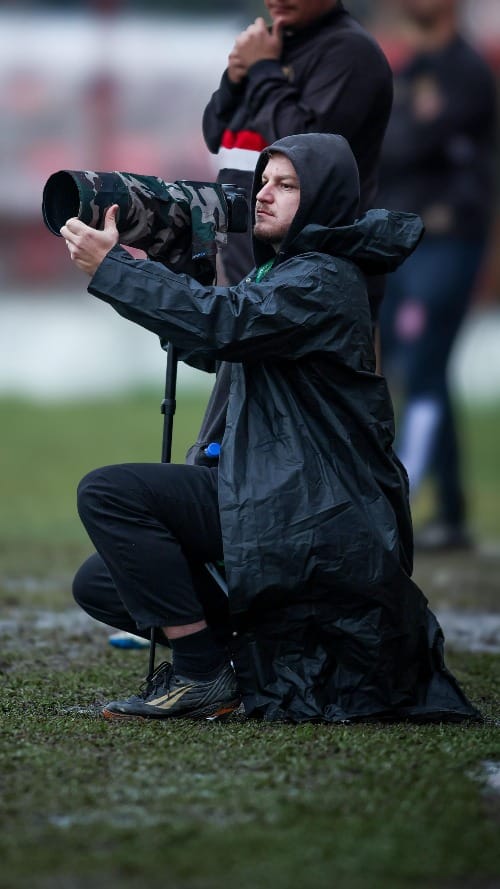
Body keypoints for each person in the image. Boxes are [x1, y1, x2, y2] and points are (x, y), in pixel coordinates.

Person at [61, 132, 479, 724]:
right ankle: (245, 656)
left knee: (109, 493)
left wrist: (115, 272)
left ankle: (201, 674)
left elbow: (220, 325)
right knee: (104, 581)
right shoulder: (286, 271)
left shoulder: (322, 279)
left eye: (286, 186)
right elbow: (218, 345)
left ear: (325, 199)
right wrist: (166, 265)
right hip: (275, 492)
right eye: (263, 182)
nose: (263, 195)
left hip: (311, 505)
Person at [377, 0, 497, 551]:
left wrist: (411, 132)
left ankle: (413, 501)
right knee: (411, 368)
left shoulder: (466, 72)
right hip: (404, 240)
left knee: (424, 364)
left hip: (448, 241)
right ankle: (447, 510)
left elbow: (405, 146)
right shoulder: (407, 73)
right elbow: (388, 148)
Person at [202, 0, 393, 292]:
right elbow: (215, 134)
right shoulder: (271, 45)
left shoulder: (350, 52)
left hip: (311, 296)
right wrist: (233, 79)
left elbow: (303, 147)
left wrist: (263, 69)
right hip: (248, 283)